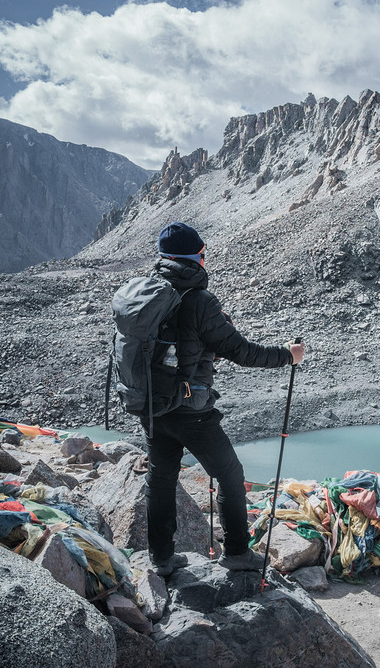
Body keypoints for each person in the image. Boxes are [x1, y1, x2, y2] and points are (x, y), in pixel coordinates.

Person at [143, 221, 305, 577]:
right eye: (202, 253)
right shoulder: (200, 300)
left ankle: (161, 559)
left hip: (152, 406)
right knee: (230, 475)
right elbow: (242, 351)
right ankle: (235, 553)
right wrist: (286, 355)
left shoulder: (146, 292)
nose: (204, 260)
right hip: (191, 412)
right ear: (195, 257)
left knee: (161, 479)